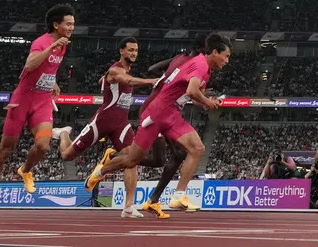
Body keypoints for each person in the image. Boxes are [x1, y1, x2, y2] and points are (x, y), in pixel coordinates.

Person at [86, 33, 231, 213]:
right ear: (214, 52)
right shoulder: (200, 64)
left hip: (172, 114)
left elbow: (194, 97)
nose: (227, 61)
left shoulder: (207, 69)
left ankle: (179, 196)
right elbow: (192, 91)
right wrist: (207, 101)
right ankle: (100, 172)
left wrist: (208, 101)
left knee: (197, 148)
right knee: (132, 160)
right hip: (157, 113)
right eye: (226, 56)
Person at [55, 38, 160, 217]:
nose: (134, 53)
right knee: (67, 155)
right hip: (102, 121)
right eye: (130, 50)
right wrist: (152, 81)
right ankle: (63, 133)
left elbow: (111, 80)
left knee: (132, 159)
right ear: (121, 51)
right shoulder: (116, 70)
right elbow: (129, 81)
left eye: (136, 50)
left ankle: (128, 207)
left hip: (121, 123)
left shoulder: (120, 71)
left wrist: (104, 81)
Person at [0, 3, 75, 192]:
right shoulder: (42, 42)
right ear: (56, 25)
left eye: (73, 24)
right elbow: (30, 65)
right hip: (22, 100)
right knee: (5, 150)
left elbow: (49, 67)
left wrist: (53, 82)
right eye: (68, 24)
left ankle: (25, 170)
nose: (72, 28)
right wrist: (52, 47)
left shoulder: (63, 45)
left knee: (43, 146)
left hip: (43, 101)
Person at [127, 39, 205, 218]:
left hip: (163, 110)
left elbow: (152, 69)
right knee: (173, 155)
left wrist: (165, 80)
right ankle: (115, 159)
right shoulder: (191, 65)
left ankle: (153, 200)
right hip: (156, 111)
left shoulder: (178, 58)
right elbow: (192, 94)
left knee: (163, 159)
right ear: (199, 51)